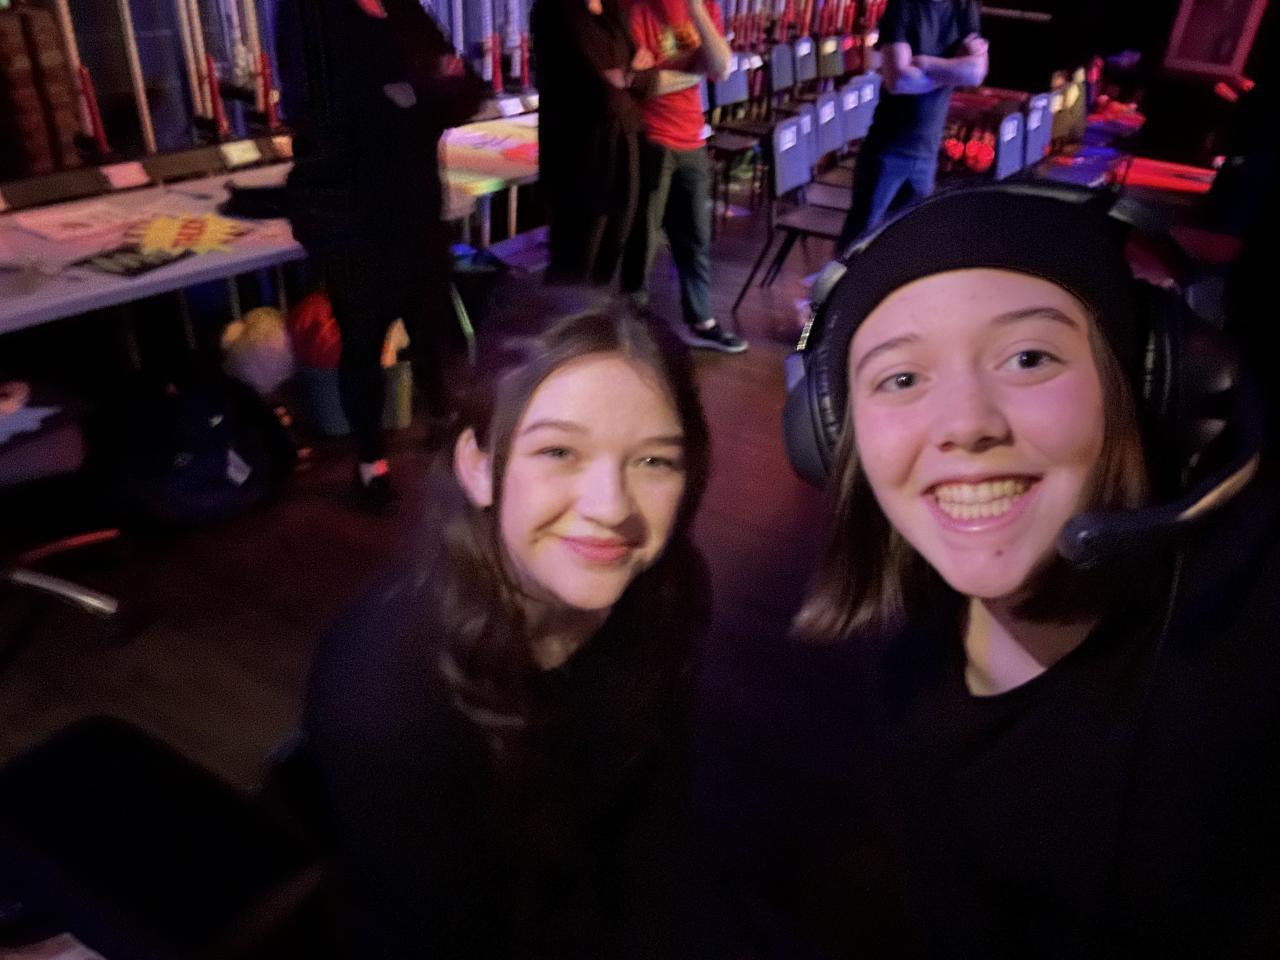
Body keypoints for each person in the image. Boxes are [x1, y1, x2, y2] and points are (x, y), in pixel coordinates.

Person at [697, 185, 1278, 958]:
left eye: (1029, 358)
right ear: (832, 438)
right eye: (901, 378)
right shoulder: (912, 659)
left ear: (1154, 387)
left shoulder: (1251, 642)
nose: (967, 424)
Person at [305, 310, 713, 959]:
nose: (612, 506)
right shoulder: (383, 688)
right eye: (558, 452)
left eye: (654, 460)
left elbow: (656, 817)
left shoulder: (670, 589)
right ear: (477, 466)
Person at [276, 0, 488, 507]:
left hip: (417, 202)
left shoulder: (404, 9)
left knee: (428, 321)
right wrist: (422, 91)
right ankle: (370, 463)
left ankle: (441, 419)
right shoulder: (311, 14)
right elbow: (316, 113)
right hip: (351, 214)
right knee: (362, 339)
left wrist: (410, 95)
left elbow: (468, 89)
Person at [620, 0, 747, 353]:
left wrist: (695, 9)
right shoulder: (635, 9)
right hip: (651, 138)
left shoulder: (703, 7)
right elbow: (636, 82)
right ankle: (630, 324)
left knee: (695, 236)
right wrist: (693, 72)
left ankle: (701, 319)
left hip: (691, 136)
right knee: (642, 241)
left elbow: (721, 66)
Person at [835, 0, 988, 250]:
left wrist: (926, 63)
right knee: (856, 247)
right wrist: (954, 70)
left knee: (905, 245)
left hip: (927, 153)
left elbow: (976, 74)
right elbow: (899, 81)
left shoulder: (964, 6)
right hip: (888, 150)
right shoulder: (904, 5)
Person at [533, 0, 657, 287]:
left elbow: (651, 80)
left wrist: (625, 76)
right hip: (580, 158)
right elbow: (598, 94)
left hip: (624, 145)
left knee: (610, 256)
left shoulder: (613, 10)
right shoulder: (557, 10)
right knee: (576, 265)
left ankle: (595, 314)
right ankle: (569, 317)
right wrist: (630, 75)